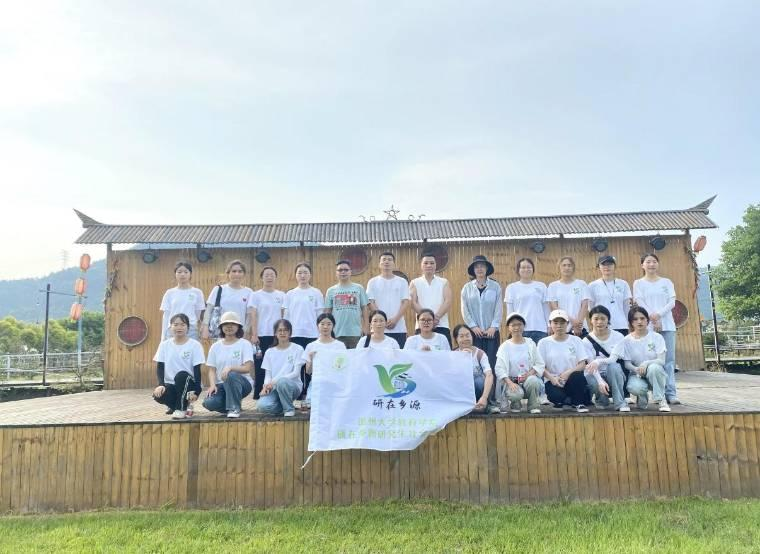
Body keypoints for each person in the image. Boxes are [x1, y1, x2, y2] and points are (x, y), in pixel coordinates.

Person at [633, 253, 680, 404]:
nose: (651, 264)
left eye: (654, 261)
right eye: (648, 262)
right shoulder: (638, 283)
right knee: (650, 360)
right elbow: (639, 301)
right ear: (642, 265)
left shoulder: (666, 282)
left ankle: (671, 393)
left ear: (658, 264)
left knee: (669, 360)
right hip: (647, 327)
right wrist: (652, 318)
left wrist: (658, 315)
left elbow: (672, 302)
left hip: (667, 325)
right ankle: (655, 392)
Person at [612, 306, 670, 412]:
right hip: (637, 373)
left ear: (647, 320)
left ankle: (661, 399)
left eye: (642, 318)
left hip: (654, 372)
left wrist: (646, 363)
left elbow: (661, 361)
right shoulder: (626, 340)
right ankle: (642, 395)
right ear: (631, 322)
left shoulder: (657, 337)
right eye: (635, 319)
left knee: (654, 368)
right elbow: (627, 364)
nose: (639, 321)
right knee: (634, 387)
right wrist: (636, 369)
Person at [202, 311, 255, 418]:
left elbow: (247, 368)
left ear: (238, 327)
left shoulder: (245, 344)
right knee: (208, 403)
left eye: (233, 324)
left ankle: (234, 408)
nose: (229, 326)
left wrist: (230, 368)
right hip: (221, 385)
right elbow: (212, 369)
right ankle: (233, 403)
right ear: (221, 327)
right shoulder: (215, 346)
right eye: (226, 324)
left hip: (242, 383)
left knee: (231, 375)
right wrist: (212, 385)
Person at [283, 262, 324, 397]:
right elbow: (286, 316)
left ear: (310, 275)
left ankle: (311, 392)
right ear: (295, 275)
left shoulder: (316, 292)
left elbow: (320, 315)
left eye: (305, 272)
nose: (302, 275)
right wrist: (287, 333)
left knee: (312, 364)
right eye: (299, 273)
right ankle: (300, 392)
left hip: (312, 334)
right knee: (298, 364)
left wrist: (320, 333)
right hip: (295, 334)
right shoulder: (290, 294)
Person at [152, 313, 205, 419]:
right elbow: (160, 367)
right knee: (158, 395)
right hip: (171, 384)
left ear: (188, 327)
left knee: (181, 375)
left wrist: (197, 391)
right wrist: (161, 384)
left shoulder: (195, 345)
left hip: (188, 383)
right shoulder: (164, 345)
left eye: (182, 324)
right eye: (175, 324)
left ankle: (180, 409)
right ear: (170, 327)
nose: (179, 327)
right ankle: (182, 406)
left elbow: (197, 370)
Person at [538, 309, 591, 413]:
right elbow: (540, 366)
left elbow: (583, 363)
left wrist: (568, 372)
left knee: (577, 376)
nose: (559, 326)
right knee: (557, 397)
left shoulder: (576, 340)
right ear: (550, 324)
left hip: (572, 379)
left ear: (567, 324)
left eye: (562, 323)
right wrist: (552, 378)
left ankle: (578, 403)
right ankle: (567, 400)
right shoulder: (543, 343)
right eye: (555, 323)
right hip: (554, 380)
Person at [494, 312, 545, 414]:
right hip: (512, 380)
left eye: (519, 324)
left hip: (527, 379)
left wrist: (529, 374)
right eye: (513, 325)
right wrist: (509, 382)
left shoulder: (530, 344)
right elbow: (499, 368)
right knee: (515, 394)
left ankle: (533, 405)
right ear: (509, 328)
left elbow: (540, 363)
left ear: (524, 326)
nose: (516, 327)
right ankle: (515, 403)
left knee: (533, 381)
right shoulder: (504, 346)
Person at [248, 266, 285, 399]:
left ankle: (274, 391)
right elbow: (253, 315)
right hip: (261, 335)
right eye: (266, 275)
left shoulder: (281, 295)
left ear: (275, 277)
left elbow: (283, 316)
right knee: (260, 364)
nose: (269, 277)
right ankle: (259, 392)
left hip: (277, 336)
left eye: (272, 275)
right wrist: (254, 334)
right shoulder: (255, 295)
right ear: (261, 278)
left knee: (276, 363)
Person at [582, 305, 628, 412]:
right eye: (596, 319)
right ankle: (601, 400)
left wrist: (598, 361)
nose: (599, 322)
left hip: (613, 373)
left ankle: (620, 402)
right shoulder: (585, 341)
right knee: (590, 378)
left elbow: (613, 359)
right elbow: (591, 365)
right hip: (595, 373)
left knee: (614, 366)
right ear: (591, 320)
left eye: (603, 318)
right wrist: (600, 381)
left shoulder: (618, 336)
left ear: (608, 320)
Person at [460, 255, 502, 369]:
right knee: (474, 363)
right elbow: (464, 309)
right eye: (477, 267)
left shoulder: (495, 286)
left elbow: (498, 309)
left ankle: (491, 381)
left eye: (482, 266)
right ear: (473, 270)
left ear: (487, 269)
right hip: (474, 333)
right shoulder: (467, 288)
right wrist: (473, 326)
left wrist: (493, 327)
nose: (479, 269)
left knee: (491, 362)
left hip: (491, 333)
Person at [257, 319, 305, 417]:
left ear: (290, 333)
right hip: (273, 387)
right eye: (280, 330)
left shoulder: (298, 349)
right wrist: (266, 386)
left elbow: (295, 373)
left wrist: (275, 381)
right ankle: (285, 405)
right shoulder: (269, 352)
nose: (282, 333)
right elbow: (268, 375)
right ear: (275, 333)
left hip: (292, 386)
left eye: (286, 330)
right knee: (262, 406)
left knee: (282, 382)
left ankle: (289, 410)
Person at [302, 313, 346, 409]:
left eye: (329, 324)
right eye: (322, 324)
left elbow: (343, 368)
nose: (325, 327)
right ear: (317, 325)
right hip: (317, 382)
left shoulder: (340, 345)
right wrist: (311, 359)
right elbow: (308, 372)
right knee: (310, 404)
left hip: (335, 382)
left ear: (333, 326)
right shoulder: (311, 346)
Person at [201, 259, 254, 340]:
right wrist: (205, 328)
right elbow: (208, 311)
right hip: (220, 333)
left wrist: (246, 332)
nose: (237, 274)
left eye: (240, 271)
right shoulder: (218, 289)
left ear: (244, 274)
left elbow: (249, 315)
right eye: (234, 271)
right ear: (228, 273)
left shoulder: (249, 292)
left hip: (239, 333)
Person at [367, 252, 410, 348]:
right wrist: (381, 320)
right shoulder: (372, 282)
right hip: (378, 328)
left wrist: (395, 319)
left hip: (398, 327)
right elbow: (370, 302)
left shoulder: (402, 281)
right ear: (379, 264)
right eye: (384, 259)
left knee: (398, 355)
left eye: (390, 260)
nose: (386, 262)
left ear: (394, 264)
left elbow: (405, 302)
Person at [452, 324, 497, 414]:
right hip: (462, 392)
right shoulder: (452, 355)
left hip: (479, 392)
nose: (465, 338)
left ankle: (485, 404)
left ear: (472, 336)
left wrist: (484, 397)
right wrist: (462, 358)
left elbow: (489, 375)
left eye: (467, 335)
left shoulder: (480, 353)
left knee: (480, 380)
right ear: (456, 339)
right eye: (461, 336)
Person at [324, 259, 369, 349]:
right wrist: (328, 329)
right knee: (339, 358)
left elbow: (364, 309)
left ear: (350, 272)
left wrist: (366, 327)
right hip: (337, 332)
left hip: (355, 333)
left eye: (346, 270)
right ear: (336, 273)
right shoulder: (331, 291)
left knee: (355, 357)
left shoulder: (359, 288)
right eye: (340, 270)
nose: (343, 272)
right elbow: (327, 313)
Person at [410, 252, 453, 345]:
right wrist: (426, 318)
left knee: (444, 353)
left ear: (435, 265)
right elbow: (413, 302)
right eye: (426, 263)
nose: (429, 265)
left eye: (432, 263)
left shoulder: (444, 282)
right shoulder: (414, 282)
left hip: (441, 324)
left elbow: (448, 301)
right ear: (421, 265)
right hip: (421, 326)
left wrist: (436, 317)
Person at [504, 258, 549, 344]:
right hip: (520, 329)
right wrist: (511, 327)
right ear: (518, 270)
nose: (526, 269)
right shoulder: (511, 288)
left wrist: (549, 325)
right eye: (523, 267)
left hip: (540, 329)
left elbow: (546, 309)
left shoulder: (541, 286)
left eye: (529, 267)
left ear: (533, 269)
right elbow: (510, 312)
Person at [587, 255, 633, 336]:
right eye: (603, 264)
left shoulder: (623, 284)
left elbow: (627, 307)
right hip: (601, 326)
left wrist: (629, 323)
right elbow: (591, 308)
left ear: (615, 266)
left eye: (610, 264)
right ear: (599, 267)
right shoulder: (592, 286)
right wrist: (594, 323)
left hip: (621, 325)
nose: (607, 267)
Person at [159, 261, 205, 339]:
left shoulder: (197, 292)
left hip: (191, 329)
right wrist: (163, 336)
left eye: (186, 272)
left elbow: (198, 314)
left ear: (190, 274)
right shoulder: (169, 293)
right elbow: (166, 315)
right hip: (172, 329)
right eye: (179, 272)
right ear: (175, 274)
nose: (182, 274)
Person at [547, 256, 591, 337]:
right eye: (564, 265)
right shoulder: (553, 286)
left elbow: (585, 305)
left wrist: (578, 324)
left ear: (573, 267)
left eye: (569, 265)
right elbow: (554, 307)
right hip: (561, 328)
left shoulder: (581, 284)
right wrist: (572, 321)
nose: (567, 268)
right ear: (559, 268)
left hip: (580, 328)